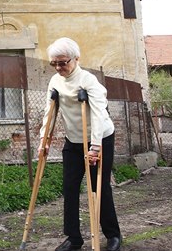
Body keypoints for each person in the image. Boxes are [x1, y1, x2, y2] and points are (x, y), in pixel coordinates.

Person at [37, 37, 122, 251]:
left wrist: (95, 148)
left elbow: (99, 115)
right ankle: (73, 238)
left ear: (76, 59)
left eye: (63, 62)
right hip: (73, 140)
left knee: (98, 187)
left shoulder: (88, 81)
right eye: (54, 63)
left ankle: (113, 236)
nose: (58, 67)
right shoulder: (55, 81)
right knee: (70, 187)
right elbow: (50, 111)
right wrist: (43, 140)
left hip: (99, 138)